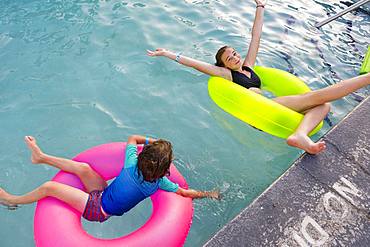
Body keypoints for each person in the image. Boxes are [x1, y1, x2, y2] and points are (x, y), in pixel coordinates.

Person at [147, 0, 370, 154]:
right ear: (223, 64)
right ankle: (367, 79)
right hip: (263, 110)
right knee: (319, 96)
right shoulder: (227, 75)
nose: (234, 57)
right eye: (229, 57)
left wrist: (260, 6)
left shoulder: (249, 66)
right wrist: (168, 54)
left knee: (324, 106)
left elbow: (256, 35)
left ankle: (299, 135)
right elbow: (197, 65)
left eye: (234, 53)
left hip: (272, 105)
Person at [0, 135, 220, 222]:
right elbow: (183, 192)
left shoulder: (131, 162)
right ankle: (40, 157)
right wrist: (208, 194)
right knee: (84, 168)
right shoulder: (159, 183)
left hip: (97, 210)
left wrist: (152, 140)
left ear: (144, 155)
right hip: (103, 195)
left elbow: (132, 138)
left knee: (50, 187)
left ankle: (11, 200)